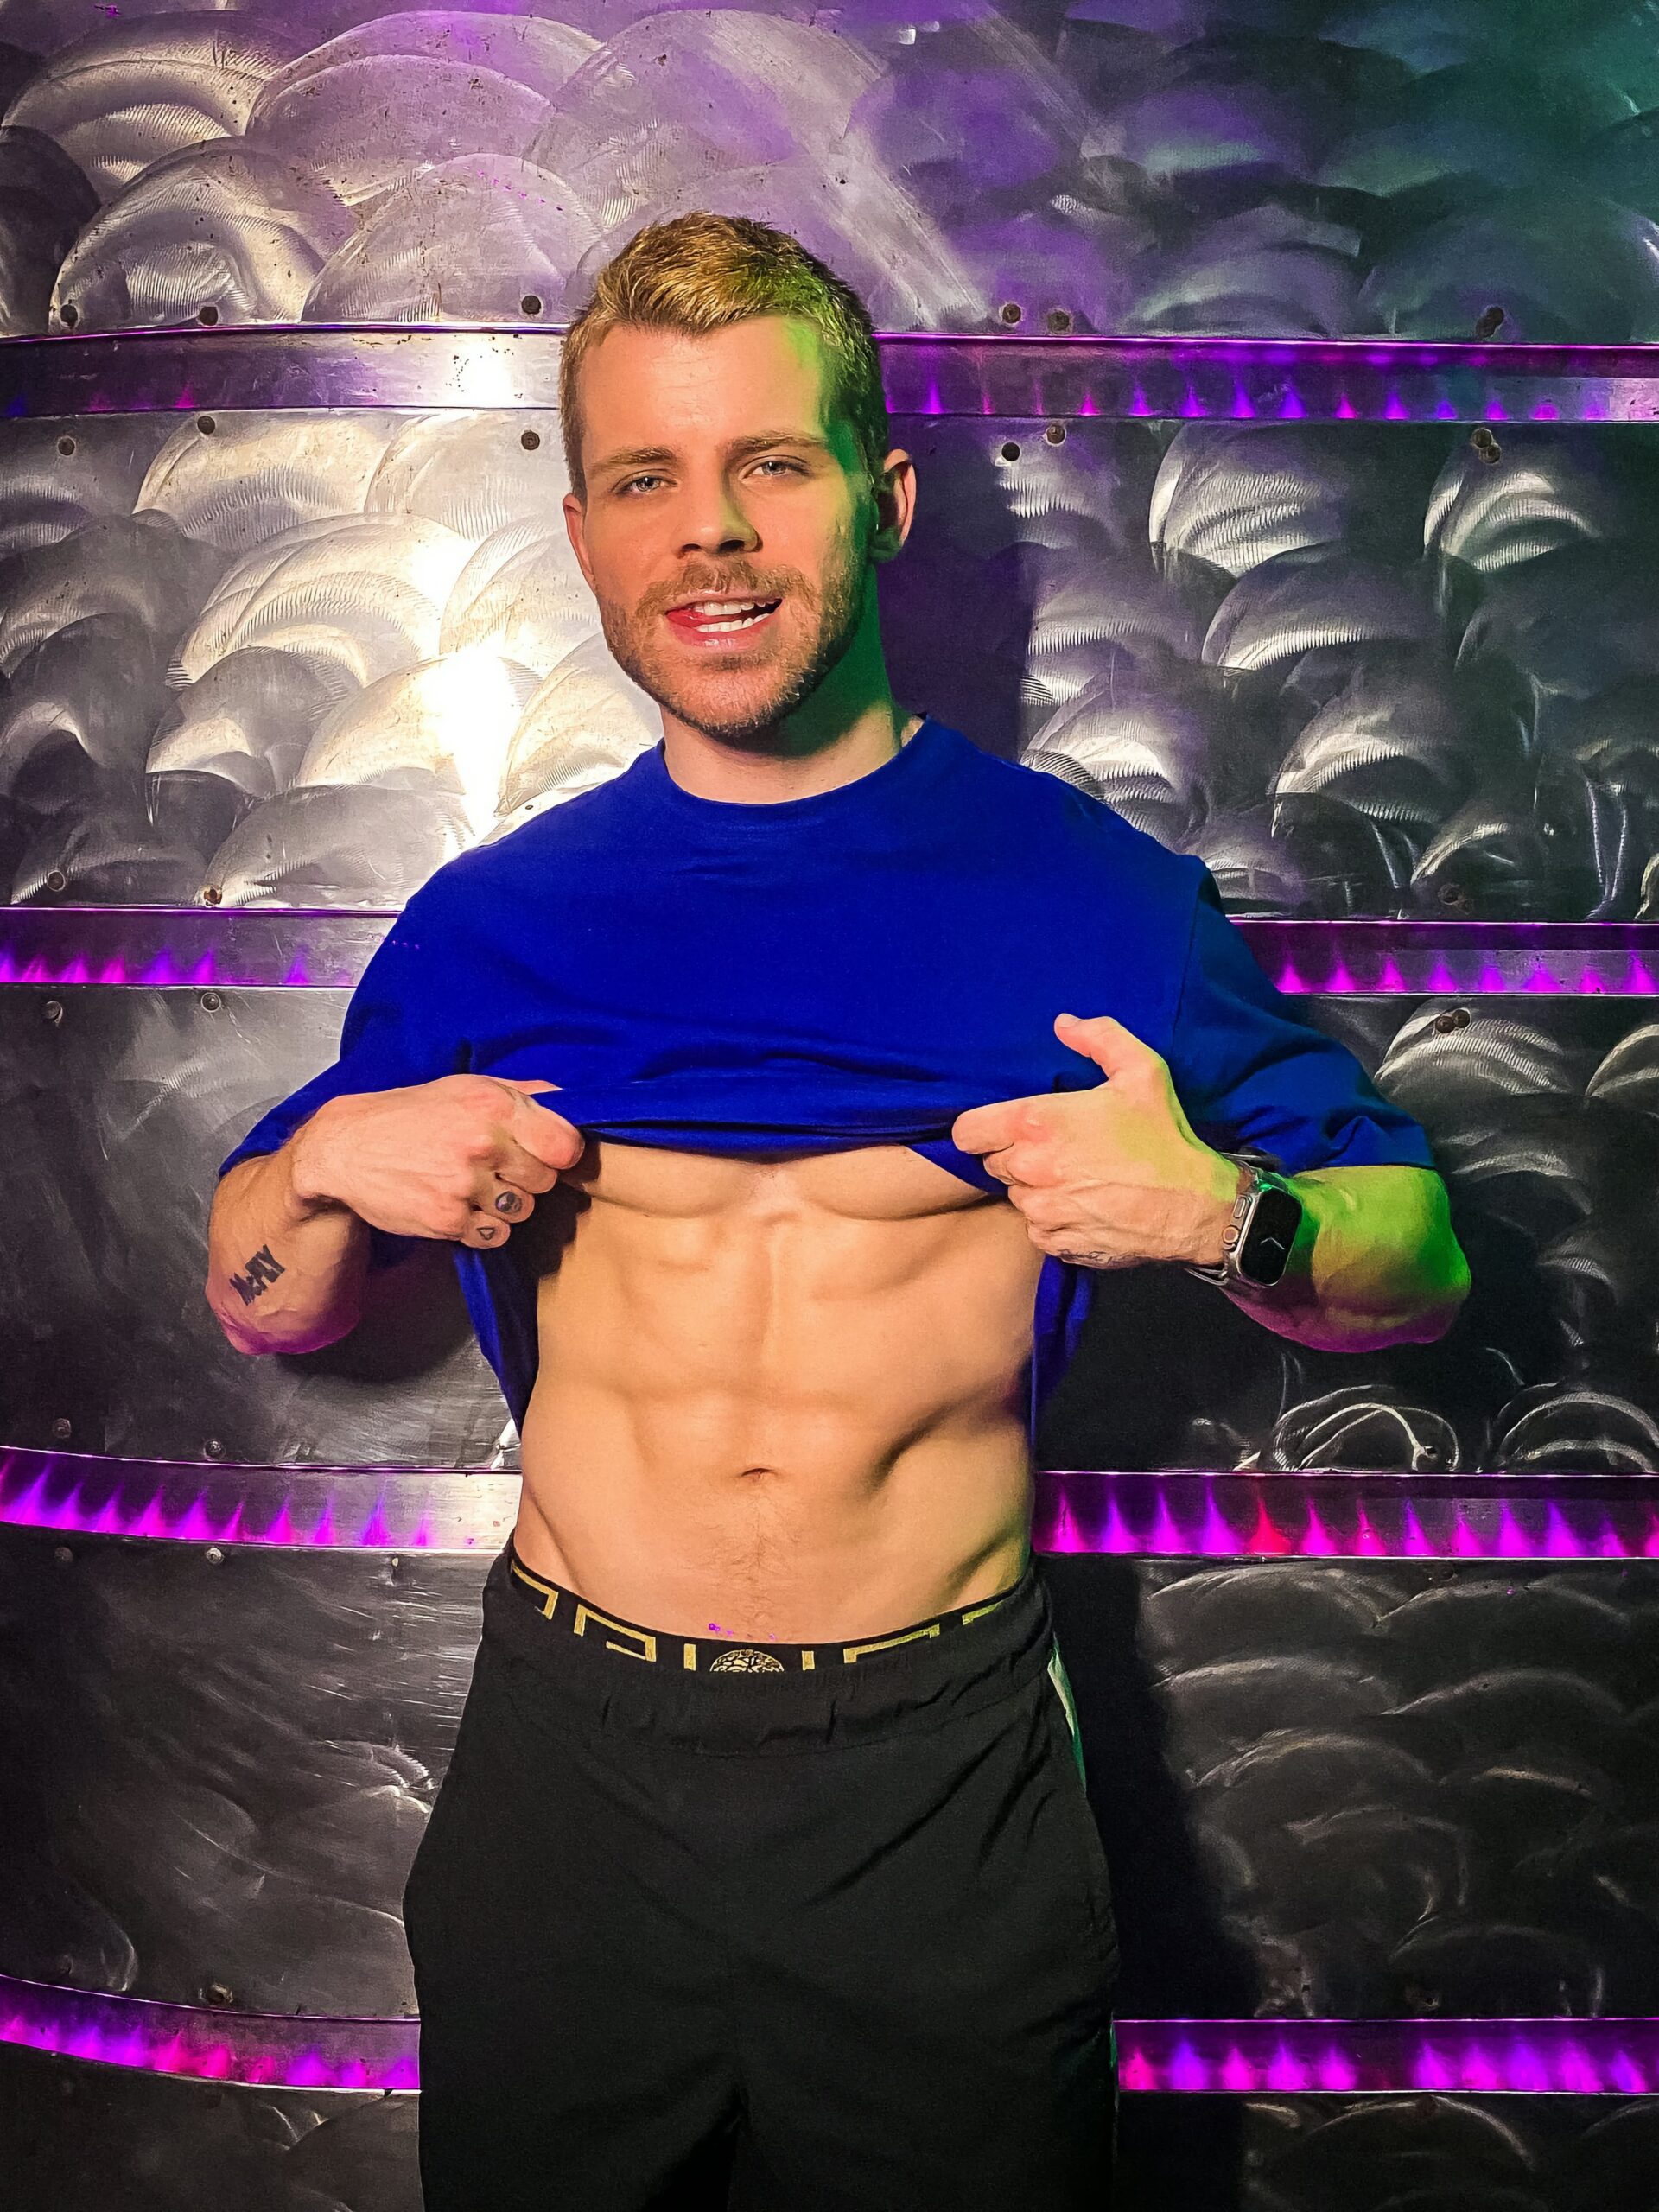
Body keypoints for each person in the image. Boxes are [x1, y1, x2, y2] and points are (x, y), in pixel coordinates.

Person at [205, 213, 1470, 2211]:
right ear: (587, 536)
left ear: (882, 499)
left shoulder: (1093, 902)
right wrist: (321, 1168)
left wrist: (1229, 1215)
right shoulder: (490, 925)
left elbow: (1425, 1259)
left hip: (932, 1777)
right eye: (646, 477)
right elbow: (265, 1295)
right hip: (572, 1774)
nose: (708, 531)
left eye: (769, 464)